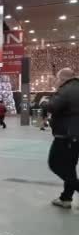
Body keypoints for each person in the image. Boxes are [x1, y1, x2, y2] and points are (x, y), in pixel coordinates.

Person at [47, 68, 79, 209]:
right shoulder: (75, 87)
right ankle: (66, 198)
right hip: (74, 135)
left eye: (57, 79)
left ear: (63, 79)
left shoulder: (66, 89)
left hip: (66, 135)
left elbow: (53, 106)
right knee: (70, 166)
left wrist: (44, 102)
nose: (56, 81)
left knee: (55, 163)